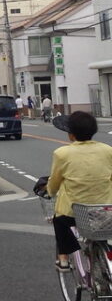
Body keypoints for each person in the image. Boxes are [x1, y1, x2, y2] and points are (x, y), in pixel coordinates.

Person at [45, 111, 112, 271]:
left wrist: (50, 192)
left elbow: (55, 182)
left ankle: (63, 259)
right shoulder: (108, 150)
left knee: (59, 221)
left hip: (75, 212)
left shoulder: (62, 153)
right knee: (103, 231)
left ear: (71, 134)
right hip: (105, 210)